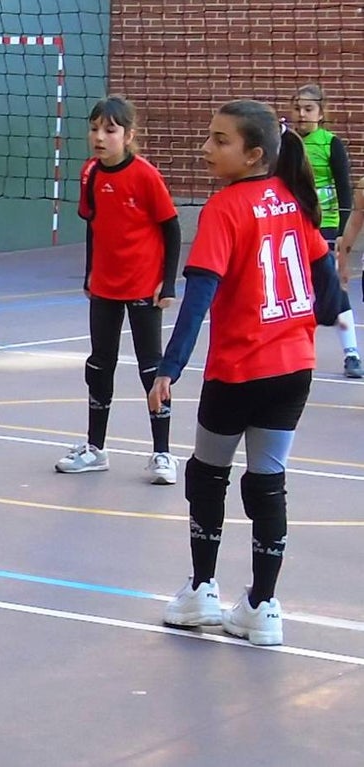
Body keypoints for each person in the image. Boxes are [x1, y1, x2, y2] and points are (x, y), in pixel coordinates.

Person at [151, 100, 340, 647]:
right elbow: (328, 295)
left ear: (254, 154)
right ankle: (263, 605)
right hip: (294, 369)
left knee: (208, 474)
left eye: (219, 140)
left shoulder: (225, 208)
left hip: (238, 369)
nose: (205, 148)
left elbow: (199, 296)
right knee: (267, 483)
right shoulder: (295, 202)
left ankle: (202, 590)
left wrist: (169, 368)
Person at [54, 96, 182, 485]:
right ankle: (95, 448)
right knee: (99, 363)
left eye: (110, 130)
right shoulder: (90, 173)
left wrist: (169, 280)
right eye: (94, 129)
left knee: (150, 367)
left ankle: (162, 454)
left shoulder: (145, 175)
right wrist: (90, 273)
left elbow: (172, 228)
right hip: (106, 285)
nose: (100, 137)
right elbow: (93, 225)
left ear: (128, 136)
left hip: (143, 283)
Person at [290, 84, 362, 378]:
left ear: (321, 113)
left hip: (326, 225)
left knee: (332, 285)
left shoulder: (330, 143)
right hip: (292, 224)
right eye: (297, 108)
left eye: (308, 109)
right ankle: (294, 353)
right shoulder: (286, 143)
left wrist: (343, 233)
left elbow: (345, 189)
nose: (302, 114)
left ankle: (352, 353)